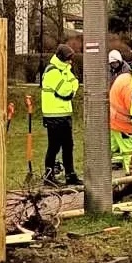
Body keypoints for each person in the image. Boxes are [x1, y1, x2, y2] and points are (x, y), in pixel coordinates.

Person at [41, 44, 82, 187]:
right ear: (61, 58)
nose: (70, 62)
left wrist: (71, 90)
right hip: (54, 115)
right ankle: (48, 176)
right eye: (68, 60)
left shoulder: (64, 70)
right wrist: (71, 90)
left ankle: (70, 175)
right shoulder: (52, 72)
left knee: (68, 145)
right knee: (54, 146)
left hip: (64, 114)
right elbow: (66, 92)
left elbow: (74, 83)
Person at [109, 62, 132, 172]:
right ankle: (131, 177)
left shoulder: (123, 77)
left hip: (113, 119)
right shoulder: (129, 86)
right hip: (123, 124)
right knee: (129, 151)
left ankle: (98, 173)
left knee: (110, 148)